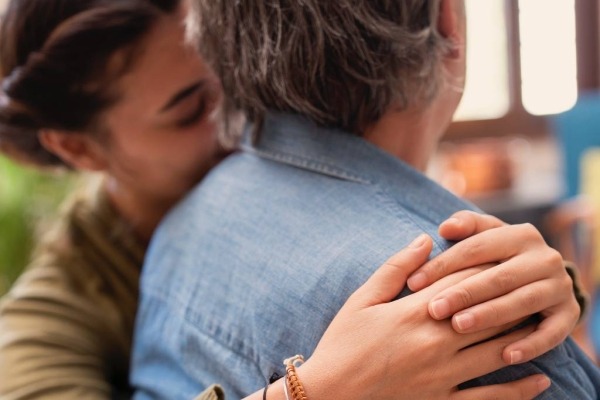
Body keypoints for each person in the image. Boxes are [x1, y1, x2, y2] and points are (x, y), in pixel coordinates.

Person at [0, 0, 585, 399]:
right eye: (190, 110)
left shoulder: (263, 194)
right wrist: (320, 389)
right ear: (78, 148)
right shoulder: (45, 325)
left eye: (228, 78)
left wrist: (537, 280)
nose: (240, 116)